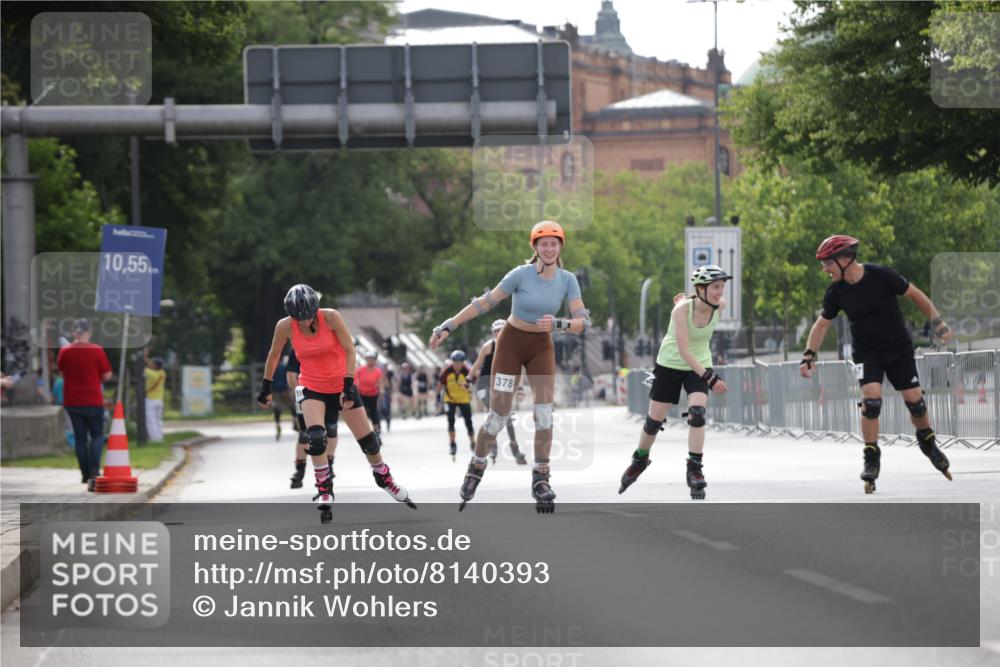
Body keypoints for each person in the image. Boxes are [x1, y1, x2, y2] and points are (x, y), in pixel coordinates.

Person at [429, 220, 591, 513]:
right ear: (535, 248)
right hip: (511, 345)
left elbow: (583, 322)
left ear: (560, 247)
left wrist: (560, 323)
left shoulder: (567, 279)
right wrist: (447, 326)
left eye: (554, 244)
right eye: (544, 244)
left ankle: (541, 478)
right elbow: (484, 303)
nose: (550, 248)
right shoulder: (521, 275)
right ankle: (476, 467)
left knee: (544, 414)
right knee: (498, 417)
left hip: (541, 346)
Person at [800, 235, 954, 493]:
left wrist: (937, 322)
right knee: (871, 402)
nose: (824, 269)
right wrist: (808, 355)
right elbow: (822, 324)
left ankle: (927, 440)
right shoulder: (836, 292)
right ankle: (871, 457)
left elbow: (915, 295)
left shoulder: (882, 275)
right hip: (867, 353)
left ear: (844, 259)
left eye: (827, 263)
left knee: (916, 403)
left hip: (898, 350)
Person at [258, 284, 415, 523]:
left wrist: (350, 384)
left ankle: (384, 478)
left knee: (369, 441)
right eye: (297, 318)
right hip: (311, 386)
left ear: (316, 309)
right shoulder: (285, 326)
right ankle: (324, 487)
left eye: (307, 317)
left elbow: (350, 351)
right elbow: (274, 355)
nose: (302, 322)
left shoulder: (331, 318)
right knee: (316, 437)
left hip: (341, 384)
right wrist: (265, 386)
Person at [619, 267, 730, 500]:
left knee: (697, 414)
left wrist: (705, 375)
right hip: (670, 363)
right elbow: (684, 350)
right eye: (715, 287)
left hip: (698, 365)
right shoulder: (680, 311)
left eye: (722, 286)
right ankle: (640, 460)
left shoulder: (720, 306)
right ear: (701, 289)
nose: (720, 292)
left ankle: (695, 470)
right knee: (653, 422)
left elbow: (695, 352)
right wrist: (710, 378)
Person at [57, 319, 113, 491]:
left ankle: (85, 473)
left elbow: (61, 372)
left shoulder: (65, 351)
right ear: (89, 331)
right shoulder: (97, 350)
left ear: (74, 332)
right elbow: (107, 375)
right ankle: (95, 472)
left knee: (80, 438)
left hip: (72, 401)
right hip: (93, 400)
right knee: (97, 436)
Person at [469, 319, 527, 465]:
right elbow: (477, 364)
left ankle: (515, 449)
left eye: (502, 330)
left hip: (500, 384)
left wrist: (520, 388)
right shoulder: (489, 346)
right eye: (496, 331)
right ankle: (492, 444)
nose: (500, 333)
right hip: (484, 383)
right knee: (494, 414)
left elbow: (520, 370)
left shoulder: (513, 348)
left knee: (506, 417)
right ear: (493, 333)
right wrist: (468, 379)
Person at [285, 347, 338, 490]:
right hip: (306, 395)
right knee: (305, 433)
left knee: (331, 428)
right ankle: (300, 470)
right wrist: (300, 394)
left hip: (330, 391)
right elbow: (291, 375)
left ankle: (329, 465)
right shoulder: (297, 348)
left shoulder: (329, 344)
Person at [437, 350, 475, 460]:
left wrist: (470, 389)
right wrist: (437, 398)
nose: (457, 365)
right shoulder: (447, 371)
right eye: (455, 362)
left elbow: (473, 379)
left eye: (460, 362)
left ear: (463, 362)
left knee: (468, 421)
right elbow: (440, 383)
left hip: (464, 399)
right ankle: (452, 444)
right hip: (450, 399)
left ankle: (473, 443)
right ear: (452, 362)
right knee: (450, 421)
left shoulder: (466, 370)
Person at [356, 350, 385, 434]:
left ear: (375, 360)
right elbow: (355, 380)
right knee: (361, 413)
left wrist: (382, 390)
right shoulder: (360, 370)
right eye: (368, 359)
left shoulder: (377, 371)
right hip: (362, 394)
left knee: (373, 412)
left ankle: (377, 430)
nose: (370, 360)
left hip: (373, 394)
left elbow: (380, 383)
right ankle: (363, 430)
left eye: (372, 359)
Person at [143, 351, 167, 443]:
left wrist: (143, 356)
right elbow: (150, 363)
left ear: (155, 366)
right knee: (158, 420)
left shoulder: (150, 373)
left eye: (152, 363)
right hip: (159, 400)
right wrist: (146, 356)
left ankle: (155, 439)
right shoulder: (162, 373)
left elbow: (144, 367)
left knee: (150, 421)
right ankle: (160, 437)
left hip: (150, 400)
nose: (150, 364)